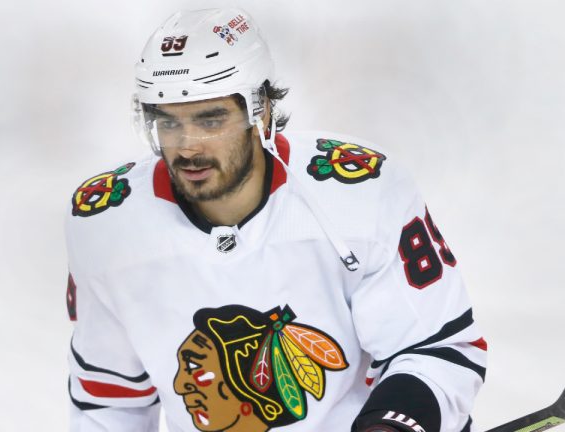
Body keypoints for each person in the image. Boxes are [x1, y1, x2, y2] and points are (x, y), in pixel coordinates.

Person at [64, 8, 486, 432]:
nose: (187, 147)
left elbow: (438, 349)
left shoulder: (361, 190)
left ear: (261, 111)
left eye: (210, 119)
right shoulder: (106, 221)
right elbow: (109, 398)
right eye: (169, 122)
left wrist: (391, 427)